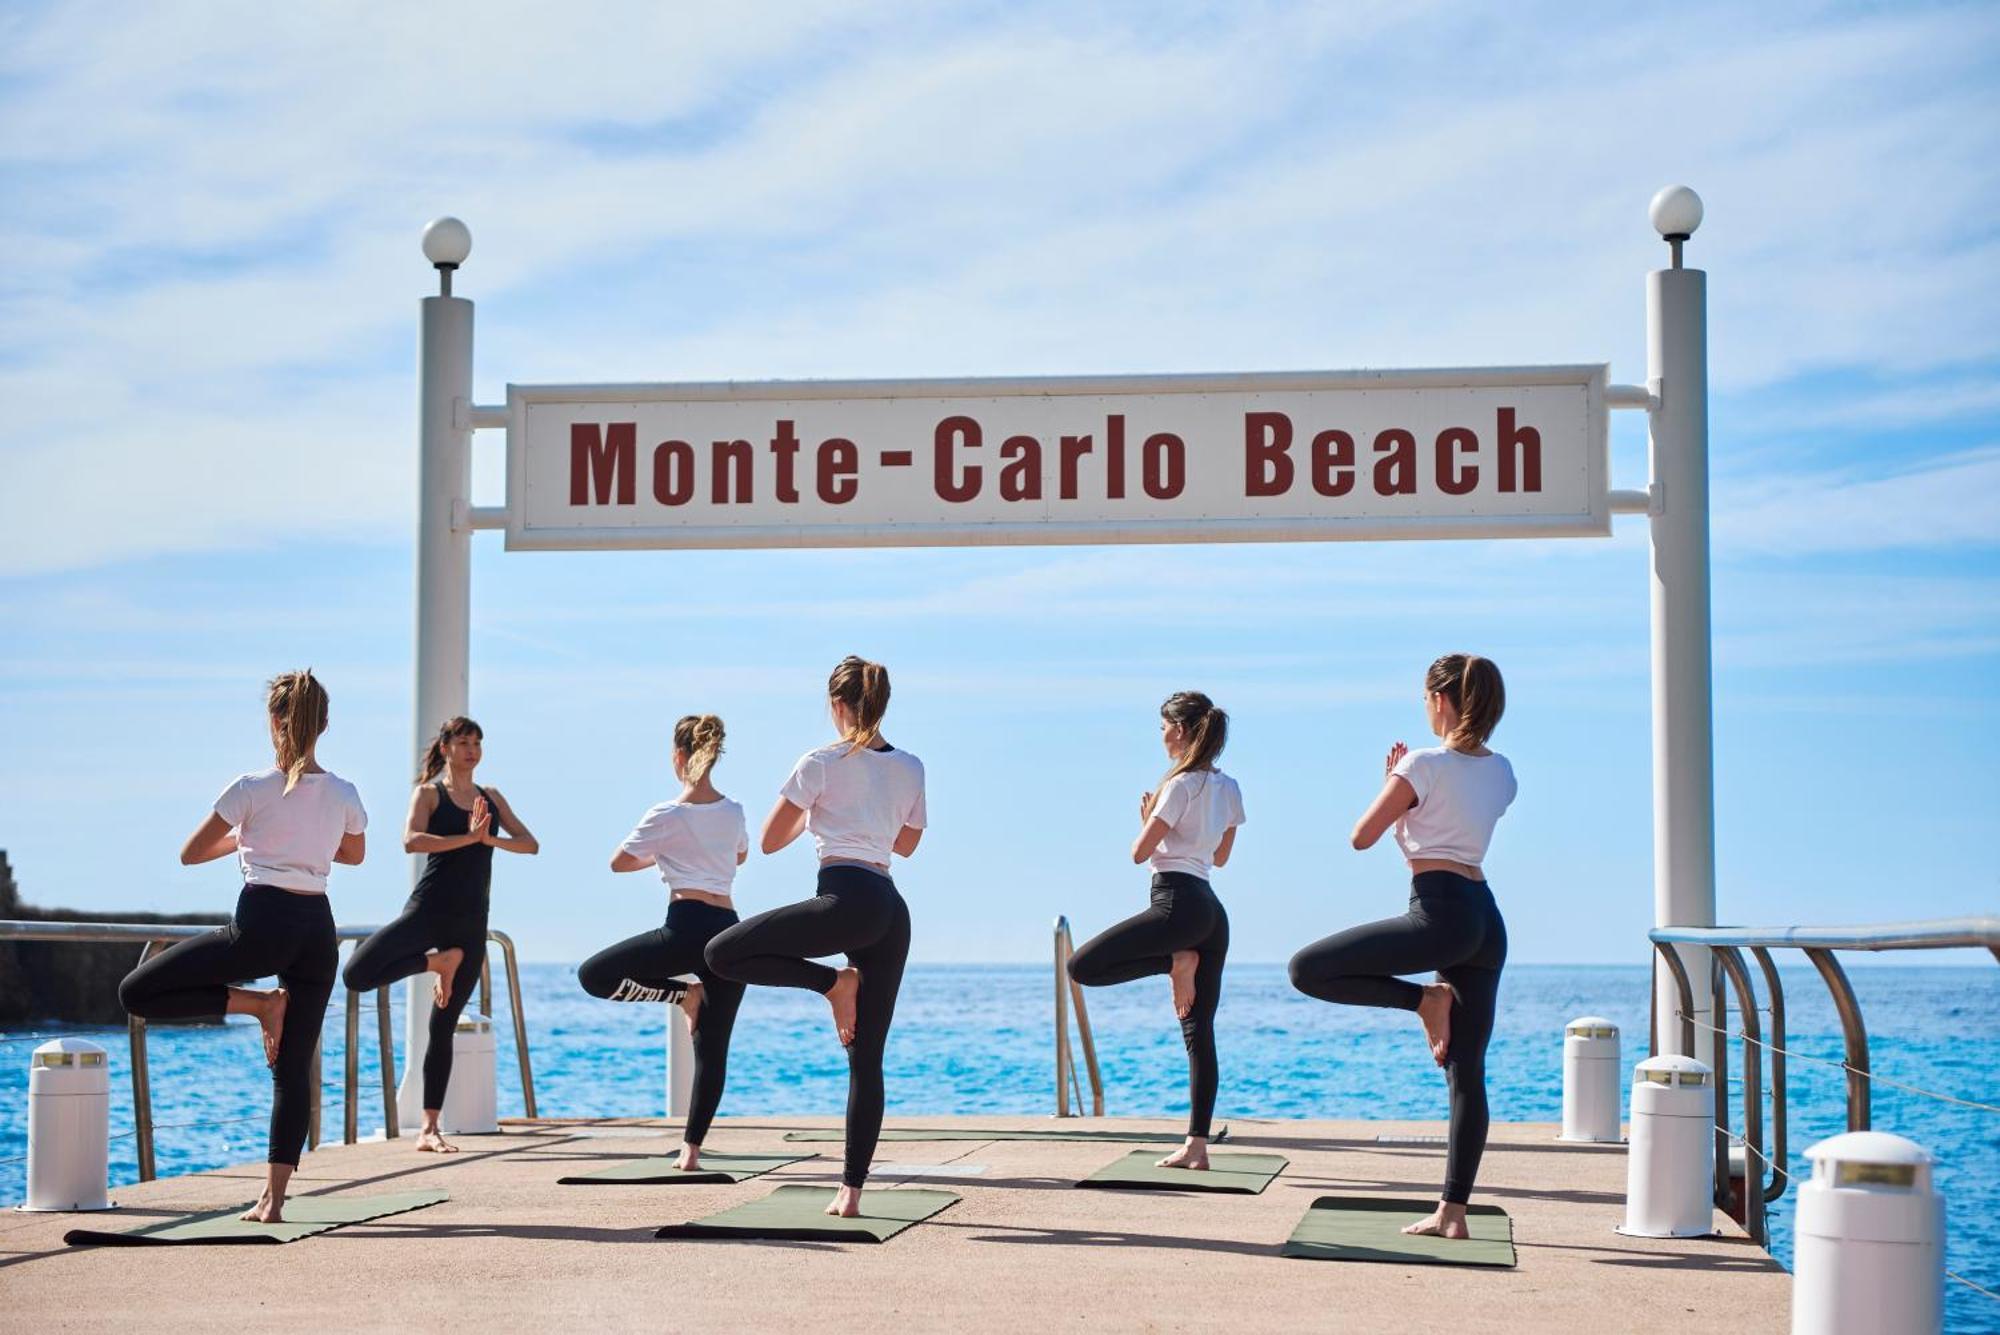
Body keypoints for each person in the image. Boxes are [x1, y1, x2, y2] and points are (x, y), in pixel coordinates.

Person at [118, 670, 366, 1223]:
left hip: (260, 926)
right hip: (316, 930)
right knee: (293, 1070)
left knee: (138, 992)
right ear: (324, 724)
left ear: (274, 721)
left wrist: (250, 836)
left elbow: (191, 852)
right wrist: (306, 839)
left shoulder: (250, 789)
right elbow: (353, 855)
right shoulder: (345, 793)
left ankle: (257, 1003)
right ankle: (273, 1202)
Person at [1288, 653, 1515, 1239]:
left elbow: (1361, 836)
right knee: (1468, 1075)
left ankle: (1423, 1003)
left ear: (1440, 701)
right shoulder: (1503, 771)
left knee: (1307, 969)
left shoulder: (1422, 763)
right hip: (1485, 918)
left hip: (1439, 912)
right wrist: (1408, 794)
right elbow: (1448, 832)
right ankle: (1452, 1214)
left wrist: (1395, 786)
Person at [705, 656, 924, 1217]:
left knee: (722, 953)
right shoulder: (911, 766)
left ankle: (831, 983)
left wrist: (815, 811)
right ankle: (850, 1193)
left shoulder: (819, 763)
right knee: (867, 1060)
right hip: (889, 910)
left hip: (844, 900)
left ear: (837, 706)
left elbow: (773, 839)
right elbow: (905, 845)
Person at [342, 717, 537, 1153]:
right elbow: (411, 840)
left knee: (443, 1025)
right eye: (463, 742)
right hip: (428, 910)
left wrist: (489, 841)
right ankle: (437, 962)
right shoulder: (429, 793)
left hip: (470, 922)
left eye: (477, 743)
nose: (471, 749)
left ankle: (430, 1129)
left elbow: (530, 843)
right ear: (446, 748)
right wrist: (467, 839)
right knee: (357, 973)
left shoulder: (492, 797)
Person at [1067, 691, 1244, 1172]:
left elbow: (1139, 852)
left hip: (1175, 903)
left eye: (1164, 726)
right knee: (1199, 1032)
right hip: (1210, 909)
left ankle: (1174, 963)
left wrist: (1148, 820)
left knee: (1082, 966)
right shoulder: (1228, 788)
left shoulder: (1178, 785)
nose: (1162, 735)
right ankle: (1197, 1145)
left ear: (1181, 731)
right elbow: (1222, 857)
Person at [578, 714, 748, 1171]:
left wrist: (662, 851)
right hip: (729, 930)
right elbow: (740, 854)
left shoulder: (666, 814)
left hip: (685, 926)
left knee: (593, 976)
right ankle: (690, 1150)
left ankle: (682, 995)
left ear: (678, 758)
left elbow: (620, 862)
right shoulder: (734, 811)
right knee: (713, 1049)